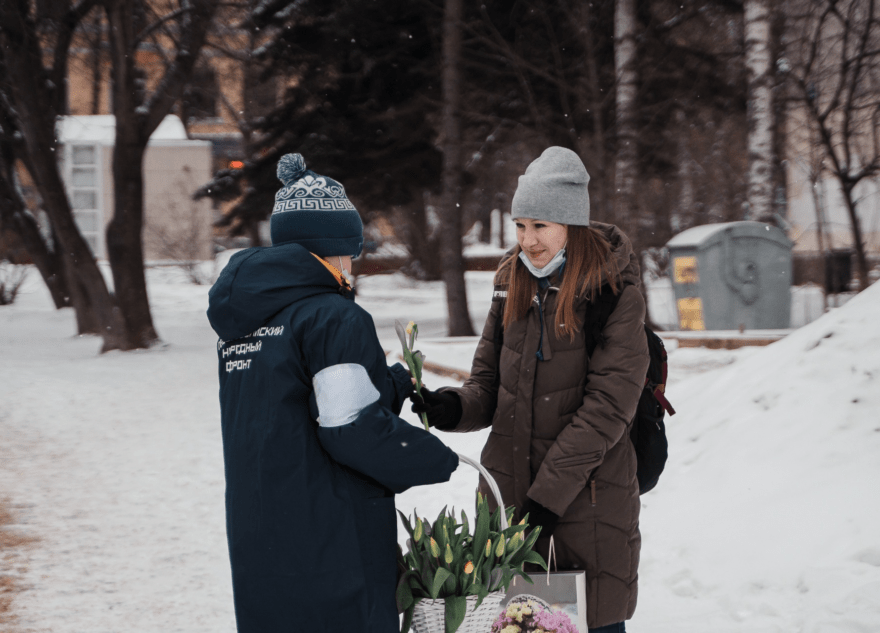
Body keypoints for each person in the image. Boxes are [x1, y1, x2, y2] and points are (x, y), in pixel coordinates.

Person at [207, 153, 459, 633]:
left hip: (261, 531)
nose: (354, 265)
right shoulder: (334, 316)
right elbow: (350, 428)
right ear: (334, 250)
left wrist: (389, 385)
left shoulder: (245, 321)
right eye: (352, 251)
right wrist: (433, 458)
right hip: (331, 536)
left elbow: (295, 403)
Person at [413, 147, 649, 633]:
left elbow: (608, 409)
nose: (528, 241)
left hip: (588, 502)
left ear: (571, 225)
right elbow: (488, 383)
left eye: (539, 226)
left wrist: (546, 500)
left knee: (591, 620)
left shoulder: (613, 291)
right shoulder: (511, 279)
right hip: (509, 499)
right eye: (520, 226)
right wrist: (451, 407)